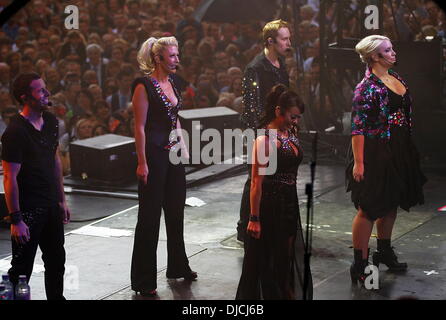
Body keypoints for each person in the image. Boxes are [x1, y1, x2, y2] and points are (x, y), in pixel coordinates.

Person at [346, 35, 427, 285]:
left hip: (398, 147)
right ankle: (359, 262)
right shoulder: (366, 88)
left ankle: (384, 250)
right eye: (387, 50)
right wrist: (359, 163)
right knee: (369, 207)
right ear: (374, 56)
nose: (393, 53)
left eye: (392, 49)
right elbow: (357, 128)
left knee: (391, 201)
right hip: (375, 150)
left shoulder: (395, 77)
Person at [130, 36, 197, 297]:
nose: (177, 60)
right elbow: (139, 127)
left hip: (173, 154)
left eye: (177, 55)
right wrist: (142, 162)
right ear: (158, 58)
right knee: (149, 218)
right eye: (172, 56)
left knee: (175, 211)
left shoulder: (174, 82)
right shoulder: (143, 85)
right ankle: (143, 279)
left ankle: (178, 265)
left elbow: (174, 118)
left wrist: (184, 144)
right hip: (154, 156)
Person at [236, 84, 312, 300]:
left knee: (285, 258)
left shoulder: (290, 132)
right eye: (293, 117)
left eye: (298, 118)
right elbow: (256, 183)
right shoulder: (265, 140)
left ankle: (284, 293)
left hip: (288, 201)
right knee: (267, 260)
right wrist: (254, 218)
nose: (296, 122)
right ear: (279, 111)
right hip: (269, 205)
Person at [1, 72, 70, 300]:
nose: (47, 94)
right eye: (40, 90)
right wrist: (16, 219)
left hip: (50, 203)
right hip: (29, 209)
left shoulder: (50, 121)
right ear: (25, 97)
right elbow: (10, 177)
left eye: (45, 88)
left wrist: (61, 199)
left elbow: (55, 160)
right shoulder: (15, 132)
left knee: (56, 261)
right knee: (21, 270)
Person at [237, 20, 292, 242]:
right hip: (260, 131)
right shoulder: (256, 68)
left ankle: (269, 221)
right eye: (284, 39)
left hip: (278, 129)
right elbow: (251, 107)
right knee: (255, 178)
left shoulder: (281, 64)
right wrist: (264, 133)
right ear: (271, 41)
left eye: (288, 38)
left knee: (273, 177)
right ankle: (245, 226)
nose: (288, 43)